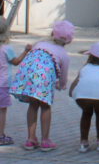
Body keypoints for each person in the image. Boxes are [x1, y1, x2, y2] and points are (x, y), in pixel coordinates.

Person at [10, 19, 74, 151]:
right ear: (69, 40)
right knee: (45, 106)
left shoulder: (39, 44)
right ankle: (45, 140)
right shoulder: (63, 54)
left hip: (27, 75)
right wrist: (62, 85)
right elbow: (64, 74)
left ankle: (30, 139)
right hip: (43, 79)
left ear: (52, 34)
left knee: (33, 105)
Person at [0, 16, 30, 146]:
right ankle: (0, 136)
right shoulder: (6, 48)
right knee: (2, 111)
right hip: (2, 85)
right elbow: (16, 62)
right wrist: (25, 51)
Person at [69, 41, 99, 152]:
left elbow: (75, 83)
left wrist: (72, 93)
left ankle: (83, 142)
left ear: (91, 56)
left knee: (86, 113)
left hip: (81, 97)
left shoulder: (85, 68)